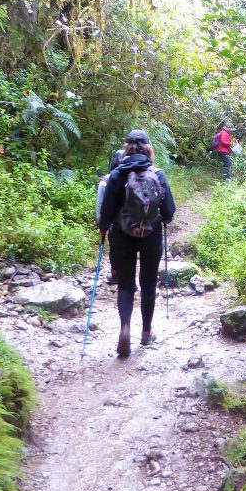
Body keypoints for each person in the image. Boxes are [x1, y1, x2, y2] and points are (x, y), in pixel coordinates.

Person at [98, 130, 176, 358]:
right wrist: (159, 218)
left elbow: (106, 213)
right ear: (149, 149)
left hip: (122, 235)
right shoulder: (158, 174)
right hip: (151, 235)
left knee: (125, 284)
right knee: (149, 283)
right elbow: (169, 212)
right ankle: (146, 332)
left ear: (126, 149)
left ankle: (125, 329)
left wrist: (104, 229)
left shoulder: (116, 176)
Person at [96, 149, 124, 285]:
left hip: (113, 223)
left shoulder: (105, 181)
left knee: (114, 247)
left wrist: (102, 226)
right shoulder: (133, 178)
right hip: (130, 222)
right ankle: (127, 274)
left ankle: (115, 273)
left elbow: (100, 206)